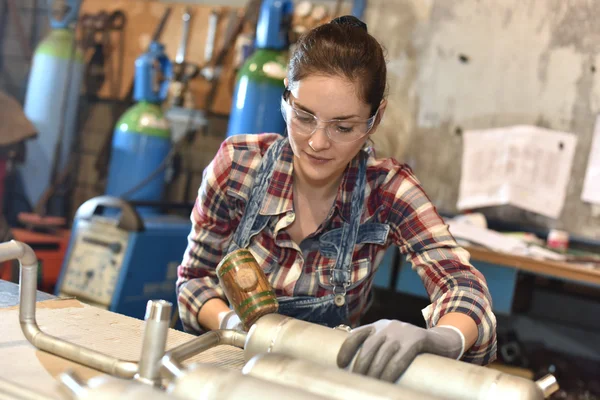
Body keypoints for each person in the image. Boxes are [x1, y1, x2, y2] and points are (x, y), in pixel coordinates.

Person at [176, 15, 497, 383]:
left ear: (375, 120)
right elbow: (194, 280)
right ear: (286, 96)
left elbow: (463, 286)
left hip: (320, 379)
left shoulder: (388, 190)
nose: (317, 142)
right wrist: (236, 326)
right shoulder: (238, 166)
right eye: (303, 116)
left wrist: (443, 337)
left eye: (343, 127)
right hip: (225, 368)